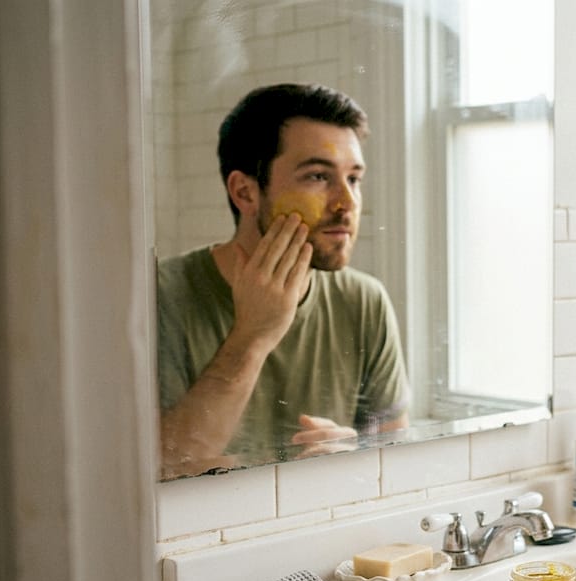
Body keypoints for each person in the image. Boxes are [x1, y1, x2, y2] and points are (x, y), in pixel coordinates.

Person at [157, 83, 410, 479]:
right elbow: (162, 468)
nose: (347, 203)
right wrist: (253, 335)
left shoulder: (364, 300)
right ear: (245, 192)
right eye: (318, 177)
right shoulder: (160, 294)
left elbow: (398, 457)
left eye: (354, 179)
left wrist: (355, 452)